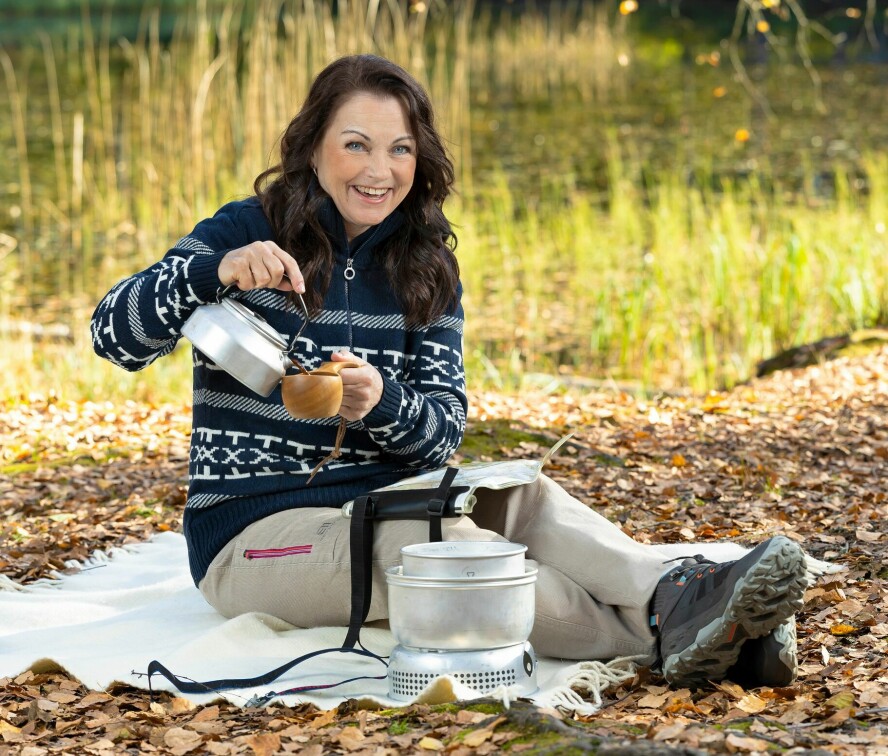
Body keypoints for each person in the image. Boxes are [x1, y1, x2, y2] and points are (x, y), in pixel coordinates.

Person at [91, 54, 809, 689]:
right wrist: (211, 273)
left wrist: (377, 401)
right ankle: (676, 637)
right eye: (357, 145)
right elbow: (111, 335)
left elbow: (438, 441)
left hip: (382, 501)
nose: (380, 170)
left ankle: (685, 592)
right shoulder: (243, 230)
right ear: (312, 148)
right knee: (444, 553)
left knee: (519, 497)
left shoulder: (425, 267)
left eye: (400, 149)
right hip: (252, 537)